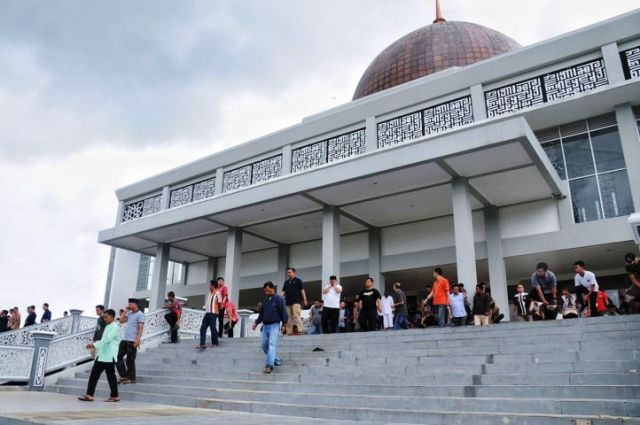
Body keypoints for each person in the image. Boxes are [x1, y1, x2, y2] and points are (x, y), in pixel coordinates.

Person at [78, 309, 120, 402]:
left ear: (112, 317)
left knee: (111, 377)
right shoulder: (107, 326)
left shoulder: (115, 327)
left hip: (109, 356)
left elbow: (107, 339)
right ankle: (89, 395)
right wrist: (96, 346)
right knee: (94, 375)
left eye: (106, 316)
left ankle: (115, 396)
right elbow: (104, 340)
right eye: (104, 317)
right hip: (101, 356)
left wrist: (94, 345)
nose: (104, 318)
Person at [252, 281, 288, 374]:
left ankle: (269, 366)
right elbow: (261, 314)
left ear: (273, 289)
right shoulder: (265, 301)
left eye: (268, 290)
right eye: (265, 291)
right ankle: (277, 360)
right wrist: (256, 323)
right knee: (264, 345)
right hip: (265, 326)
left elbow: (284, 312)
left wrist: (284, 324)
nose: (267, 292)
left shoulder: (279, 299)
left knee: (272, 344)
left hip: (274, 325)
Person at [116, 298, 144, 384]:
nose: (129, 305)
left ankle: (131, 378)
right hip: (124, 339)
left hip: (132, 340)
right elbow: (121, 321)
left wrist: (137, 340)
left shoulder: (140, 314)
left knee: (130, 360)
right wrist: (125, 311)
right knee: (118, 357)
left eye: (131, 304)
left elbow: (140, 328)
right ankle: (124, 376)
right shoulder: (129, 314)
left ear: (136, 304)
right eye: (129, 304)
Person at [282, 267, 307, 336]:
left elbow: (302, 290)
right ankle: (289, 332)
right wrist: (279, 299)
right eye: (287, 272)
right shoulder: (286, 282)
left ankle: (300, 330)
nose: (288, 274)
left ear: (294, 273)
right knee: (288, 317)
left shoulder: (298, 280)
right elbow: (283, 292)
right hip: (288, 302)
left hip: (296, 301)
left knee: (296, 315)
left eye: (289, 272)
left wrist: (305, 299)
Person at [197, 280, 222, 349]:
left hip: (213, 313)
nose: (209, 286)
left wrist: (216, 310)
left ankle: (215, 343)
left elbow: (220, 304)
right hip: (207, 313)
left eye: (210, 285)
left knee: (212, 328)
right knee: (202, 328)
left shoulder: (218, 293)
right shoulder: (210, 293)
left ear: (213, 286)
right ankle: (202, 344)